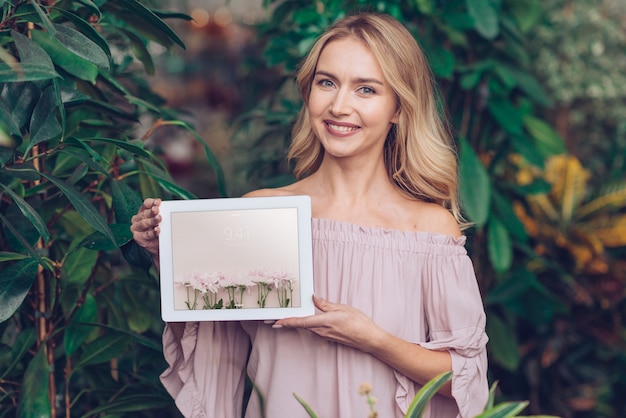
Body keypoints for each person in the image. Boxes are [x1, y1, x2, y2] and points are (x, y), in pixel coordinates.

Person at [131, 12, 488, 418]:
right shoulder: (261, 214)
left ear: (399, 109)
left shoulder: (427, 230)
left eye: (366, 89)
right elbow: (215, 339)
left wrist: (373, 339)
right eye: (327, 82)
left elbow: (463, 376)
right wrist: (167, 252)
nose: (339, 106)